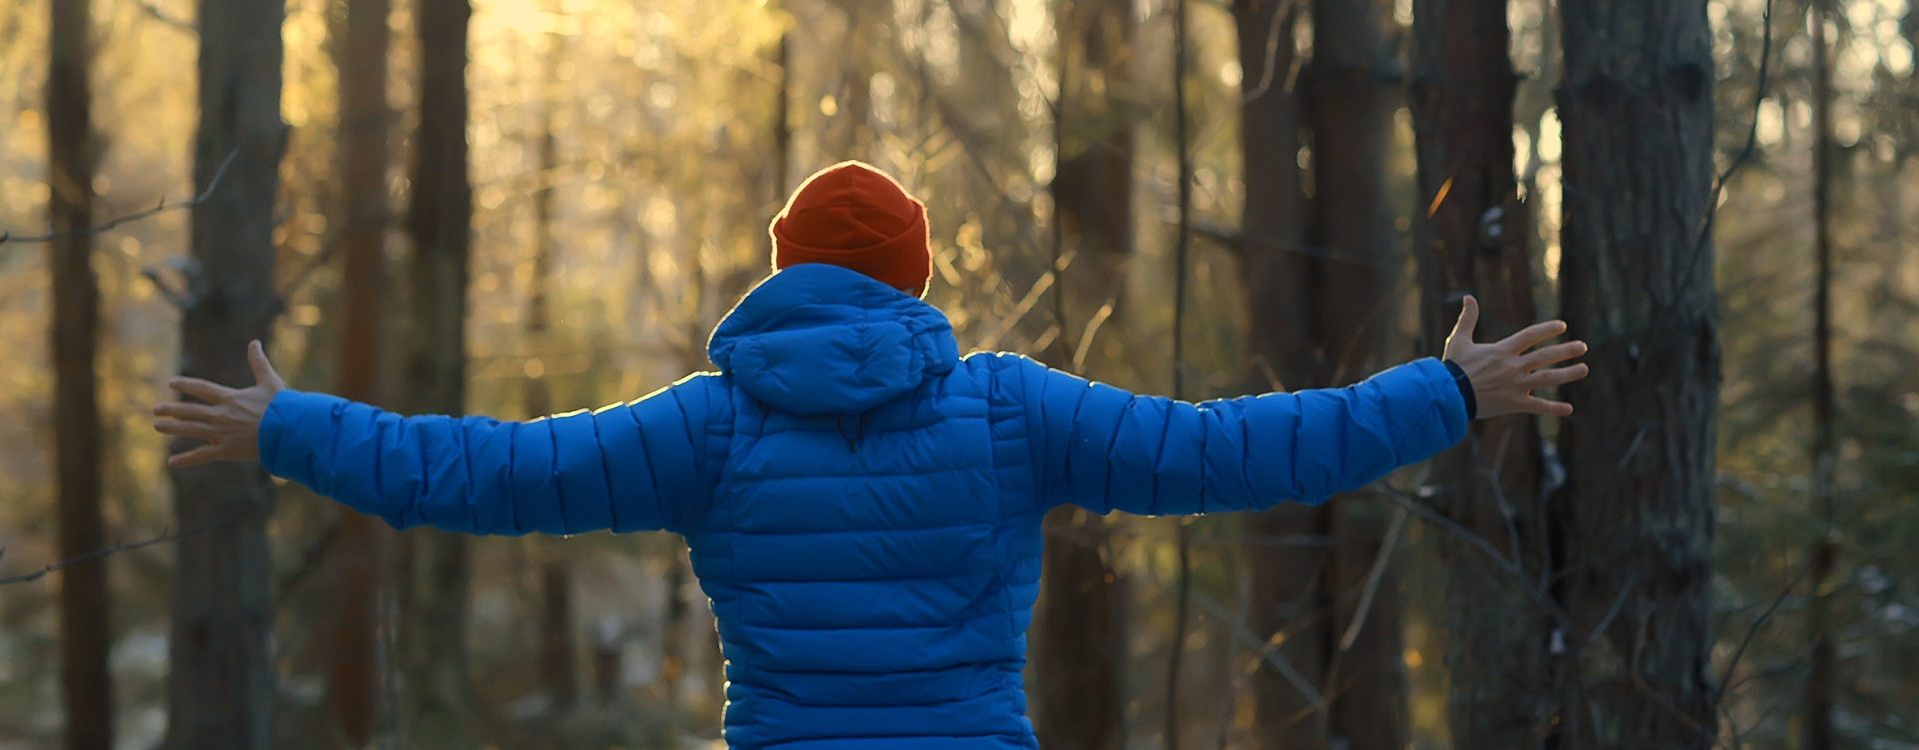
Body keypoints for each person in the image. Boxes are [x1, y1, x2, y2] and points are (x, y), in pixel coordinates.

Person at [152, 161, 1587, 749]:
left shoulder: (707, 429)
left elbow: (483, 473)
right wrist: (1444, 396)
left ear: (784, 276)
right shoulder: (1011, 409)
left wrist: (290, 425)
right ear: (912, 283)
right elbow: (1237, 451)